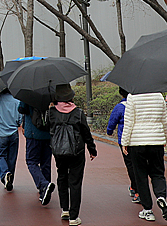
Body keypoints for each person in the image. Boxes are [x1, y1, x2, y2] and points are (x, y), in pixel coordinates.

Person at [47, 84, 96, 226]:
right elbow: (86, 133)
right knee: (75, 182)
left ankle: (65, 209)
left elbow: (47, 128)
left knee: (62, 177)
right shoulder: (78, 112)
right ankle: (74, 217)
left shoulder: (51, 112)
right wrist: (92, 149)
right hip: (77, 151)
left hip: (58, 152)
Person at [122, 91, 167, 222]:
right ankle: (161, 196)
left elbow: (128, 122)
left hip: (137, 142)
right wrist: (164, 139)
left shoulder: (132, 97)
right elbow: (163, 120)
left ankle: (147, 209)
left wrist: (124, 142)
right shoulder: (159, 96)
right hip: (156, 141)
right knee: (158, 173)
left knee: (140, 175)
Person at [19, 100, 55, 205]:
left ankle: (43, 185)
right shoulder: (49, 93)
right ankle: (45, 190)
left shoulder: (28, 93)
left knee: (31, 161)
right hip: (47, 133)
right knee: (46, 162)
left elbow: (22, 109)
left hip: (33, 133)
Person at [107, 87, 139, 203]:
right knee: (139, 165)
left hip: (124, 140)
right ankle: (137, 188)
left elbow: (112, 121)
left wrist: (109, 131)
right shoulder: (137, 105)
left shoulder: (119, 107)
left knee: (130, 165)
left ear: (121, 93)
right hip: (138, 139)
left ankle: (135, 189)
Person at [0, 86, 21, 191]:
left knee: (0, 156)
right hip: (14, 133)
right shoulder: (16, 100)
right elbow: (19, 119)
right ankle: (10, 179)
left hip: (0, 133)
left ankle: (5, 173)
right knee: (12, 158)